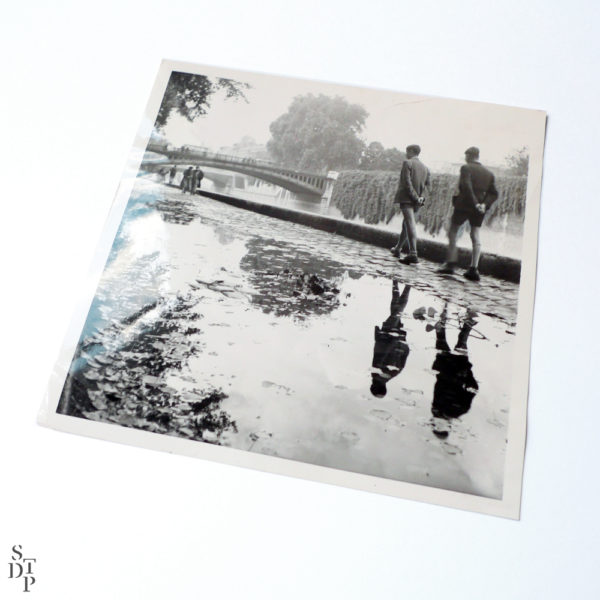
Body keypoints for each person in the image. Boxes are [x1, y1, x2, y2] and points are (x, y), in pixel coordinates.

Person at [438, 147, 499, 281]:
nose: (465, 158)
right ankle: (473, 269)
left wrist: (474, 202)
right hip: (480, 209)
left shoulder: (466, 168)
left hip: (464, 205)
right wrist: (483, 204)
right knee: (475, 234)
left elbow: (466, 186)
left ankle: (450, 264)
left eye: (466, 156)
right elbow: (494, 193)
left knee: (453, 232)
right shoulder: (489, 173)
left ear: (470, 156)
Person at [429, 304, 479, 439]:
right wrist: (467, 372)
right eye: (439, 427)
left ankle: (444, 305)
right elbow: (473, 388)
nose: (436, 424)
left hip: (447, 368)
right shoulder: (457, 410)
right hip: (455, 368)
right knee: (460, 338)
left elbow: (438, 389)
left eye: (435, 426)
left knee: (444, 336)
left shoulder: (436, 410)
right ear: (447, 427)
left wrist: (466, 373)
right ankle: (469, 308)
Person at [370, 281, 411, 397]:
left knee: (395, 311)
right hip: (388, 337)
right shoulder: (378, 374)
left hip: (396, 340)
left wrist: (401, 341)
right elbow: (381, 353)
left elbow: (405, 355)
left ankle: (398, 283)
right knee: (397, 313)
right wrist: (381, 337)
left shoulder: (392, 374)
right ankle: (406, 285)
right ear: (374, 386)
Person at [391, 145, 431, 264]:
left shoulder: (407, 163)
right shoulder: (426, 168)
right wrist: (420, 198)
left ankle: (413, 253)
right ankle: (398, 248)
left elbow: (407, 183)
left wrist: (415, 197)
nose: (406, 154)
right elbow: (427, 187)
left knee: (409, 223)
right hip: (418, 202)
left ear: (412, 151)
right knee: (406, 223)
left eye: (407, 151)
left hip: (407, 199)